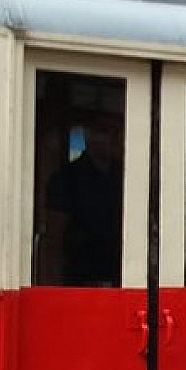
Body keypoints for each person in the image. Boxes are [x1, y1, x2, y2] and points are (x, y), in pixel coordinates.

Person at [46, 121, 123, 286]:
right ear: (89, 138)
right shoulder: (67, 178)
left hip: (124, 276)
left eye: (117, 133)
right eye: (107, 132)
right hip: (81, 278)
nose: (116, 139)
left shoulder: (125, 176)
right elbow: (54, 237)